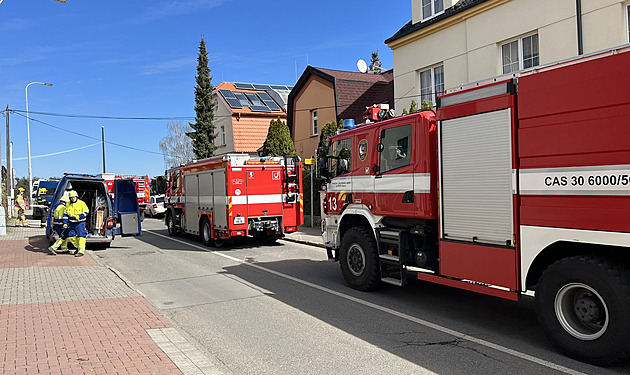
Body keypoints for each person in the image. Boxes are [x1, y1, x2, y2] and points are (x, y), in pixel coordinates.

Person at [64, 190, 89, 257]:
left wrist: (79, 216)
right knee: (71, 235)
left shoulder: (81, 203)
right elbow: (65, 214)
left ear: (76, 197)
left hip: (80, 223)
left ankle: (81, 251)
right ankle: (78, 247)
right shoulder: (68, 204)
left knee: (81, 236)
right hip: (72, 223)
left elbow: (86, 212)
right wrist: (65, 223)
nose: (72, 198)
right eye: (71, 197)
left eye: (74, 197)